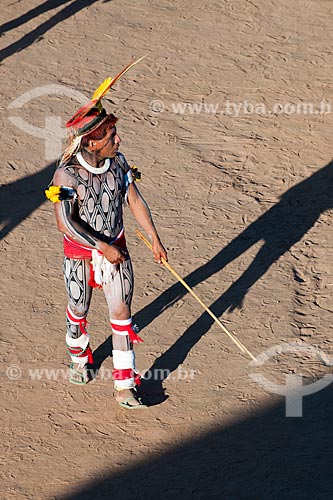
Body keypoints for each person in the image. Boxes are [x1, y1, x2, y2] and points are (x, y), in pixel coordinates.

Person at [46, 60, 167, 409]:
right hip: (81, 253)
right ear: (94, 142)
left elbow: (133, 199)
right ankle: (80, 356)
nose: (119, 140)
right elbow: (65, 223)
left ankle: (125, 385)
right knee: (78, 305)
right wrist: (100, 246)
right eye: (112, 136)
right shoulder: (66, 175)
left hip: (117, 247)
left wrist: (155, 239)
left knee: (122, 314)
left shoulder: (119, 163)